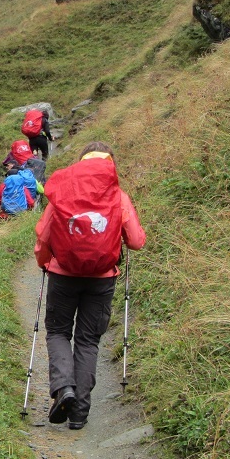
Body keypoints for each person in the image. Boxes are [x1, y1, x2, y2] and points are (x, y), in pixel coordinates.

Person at [33, 141, 145, 429]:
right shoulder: (117, 197)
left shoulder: (63, 195)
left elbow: (44, 237)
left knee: (58, 332)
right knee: (87, 340)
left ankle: (63, 389)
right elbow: (136, 241)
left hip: (63, 274)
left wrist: (45, 262)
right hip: (102, 279)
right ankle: (80, 412)